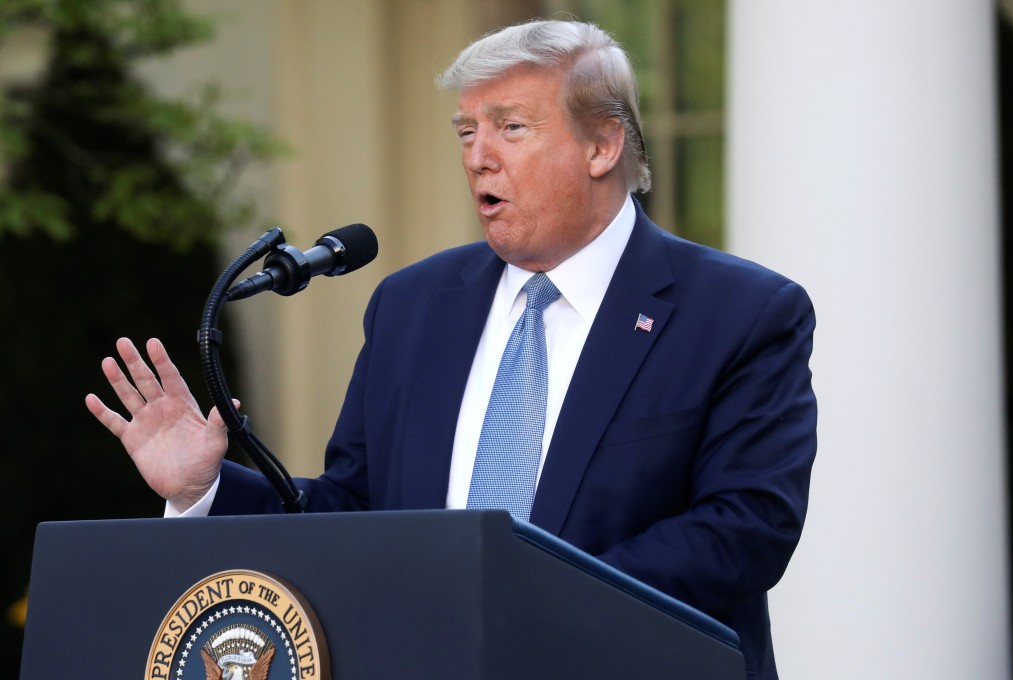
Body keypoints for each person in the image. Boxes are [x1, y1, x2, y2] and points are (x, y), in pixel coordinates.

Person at [86, 19, 816, 680]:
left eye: (511, 127)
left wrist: (514, 595)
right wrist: (203, 490)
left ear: (602, 144)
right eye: (466, 132)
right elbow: (351, 513)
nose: (479, 157)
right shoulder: (412, 307)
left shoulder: (741, 313)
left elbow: (744, 530)